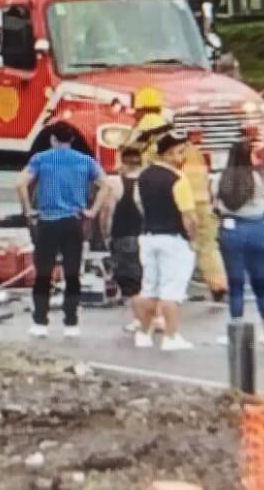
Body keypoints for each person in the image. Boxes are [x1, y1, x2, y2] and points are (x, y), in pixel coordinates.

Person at [16, 122, 109, 339]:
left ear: (52, 139)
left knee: (43, 274)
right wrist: (92, 211)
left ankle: (40, 322)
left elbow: (20, 184)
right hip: (73, 222)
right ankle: (71, 323)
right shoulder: (86, 161)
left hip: (47, 222)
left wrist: (29, 209)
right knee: (72, 273)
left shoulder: (40, 159)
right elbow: (106, 185)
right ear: (72, 140)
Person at [134, 132, 197, 351]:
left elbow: (139, 205)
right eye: (180, 152)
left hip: (149, 236)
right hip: (173, 238)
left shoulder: (143, 176)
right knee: (171, 291)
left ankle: (143, 334)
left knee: (149, 288)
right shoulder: (178, 180)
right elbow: (188, 216)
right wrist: (193, 238)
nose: (183, 157)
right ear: (169, 154)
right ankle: (171, 337)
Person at [215, 138, 264, 347]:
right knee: (260, 281)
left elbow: (215, 203)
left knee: (235, 282)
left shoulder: (220, 179)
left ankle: (236, 326)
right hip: (257, 228)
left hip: (232, 229)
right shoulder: (257, 179)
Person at [101, 144, 149, 337]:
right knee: (149, 278)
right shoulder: (150, 181)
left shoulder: (116, 183)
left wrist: (106, 234)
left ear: (123, 162)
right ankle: (155, 317)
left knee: (131, 282)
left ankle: (139, 320)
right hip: (150, 235)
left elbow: (107, 212)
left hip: (125, 235)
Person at [181, 132, 227, 302]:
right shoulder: (197, 153)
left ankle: (175, 289)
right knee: (208, 246)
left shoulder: (167, 153)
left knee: (178, 247)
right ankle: (218, 285)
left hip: (182, 205)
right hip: (203, 204)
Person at [125, 87, 172, 166]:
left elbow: (135, 144)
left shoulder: (149, 120)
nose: (133, 114)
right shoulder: (159, 120)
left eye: (136, 110)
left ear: (142, 109)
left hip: (146, 165)